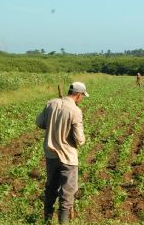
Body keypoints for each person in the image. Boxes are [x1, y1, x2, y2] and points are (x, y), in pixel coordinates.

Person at [36, 82, 89, 224]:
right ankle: (63, 222)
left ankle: (46, 220)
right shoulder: (75, 111)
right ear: (78, 96)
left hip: (51, 155)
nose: (82, 99)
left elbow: (40, 123)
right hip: (68, 158)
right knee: (67, 193)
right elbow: (79, 139)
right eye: (82, 96)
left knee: (51, 188)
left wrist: (54, 123)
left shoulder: (51, 103)